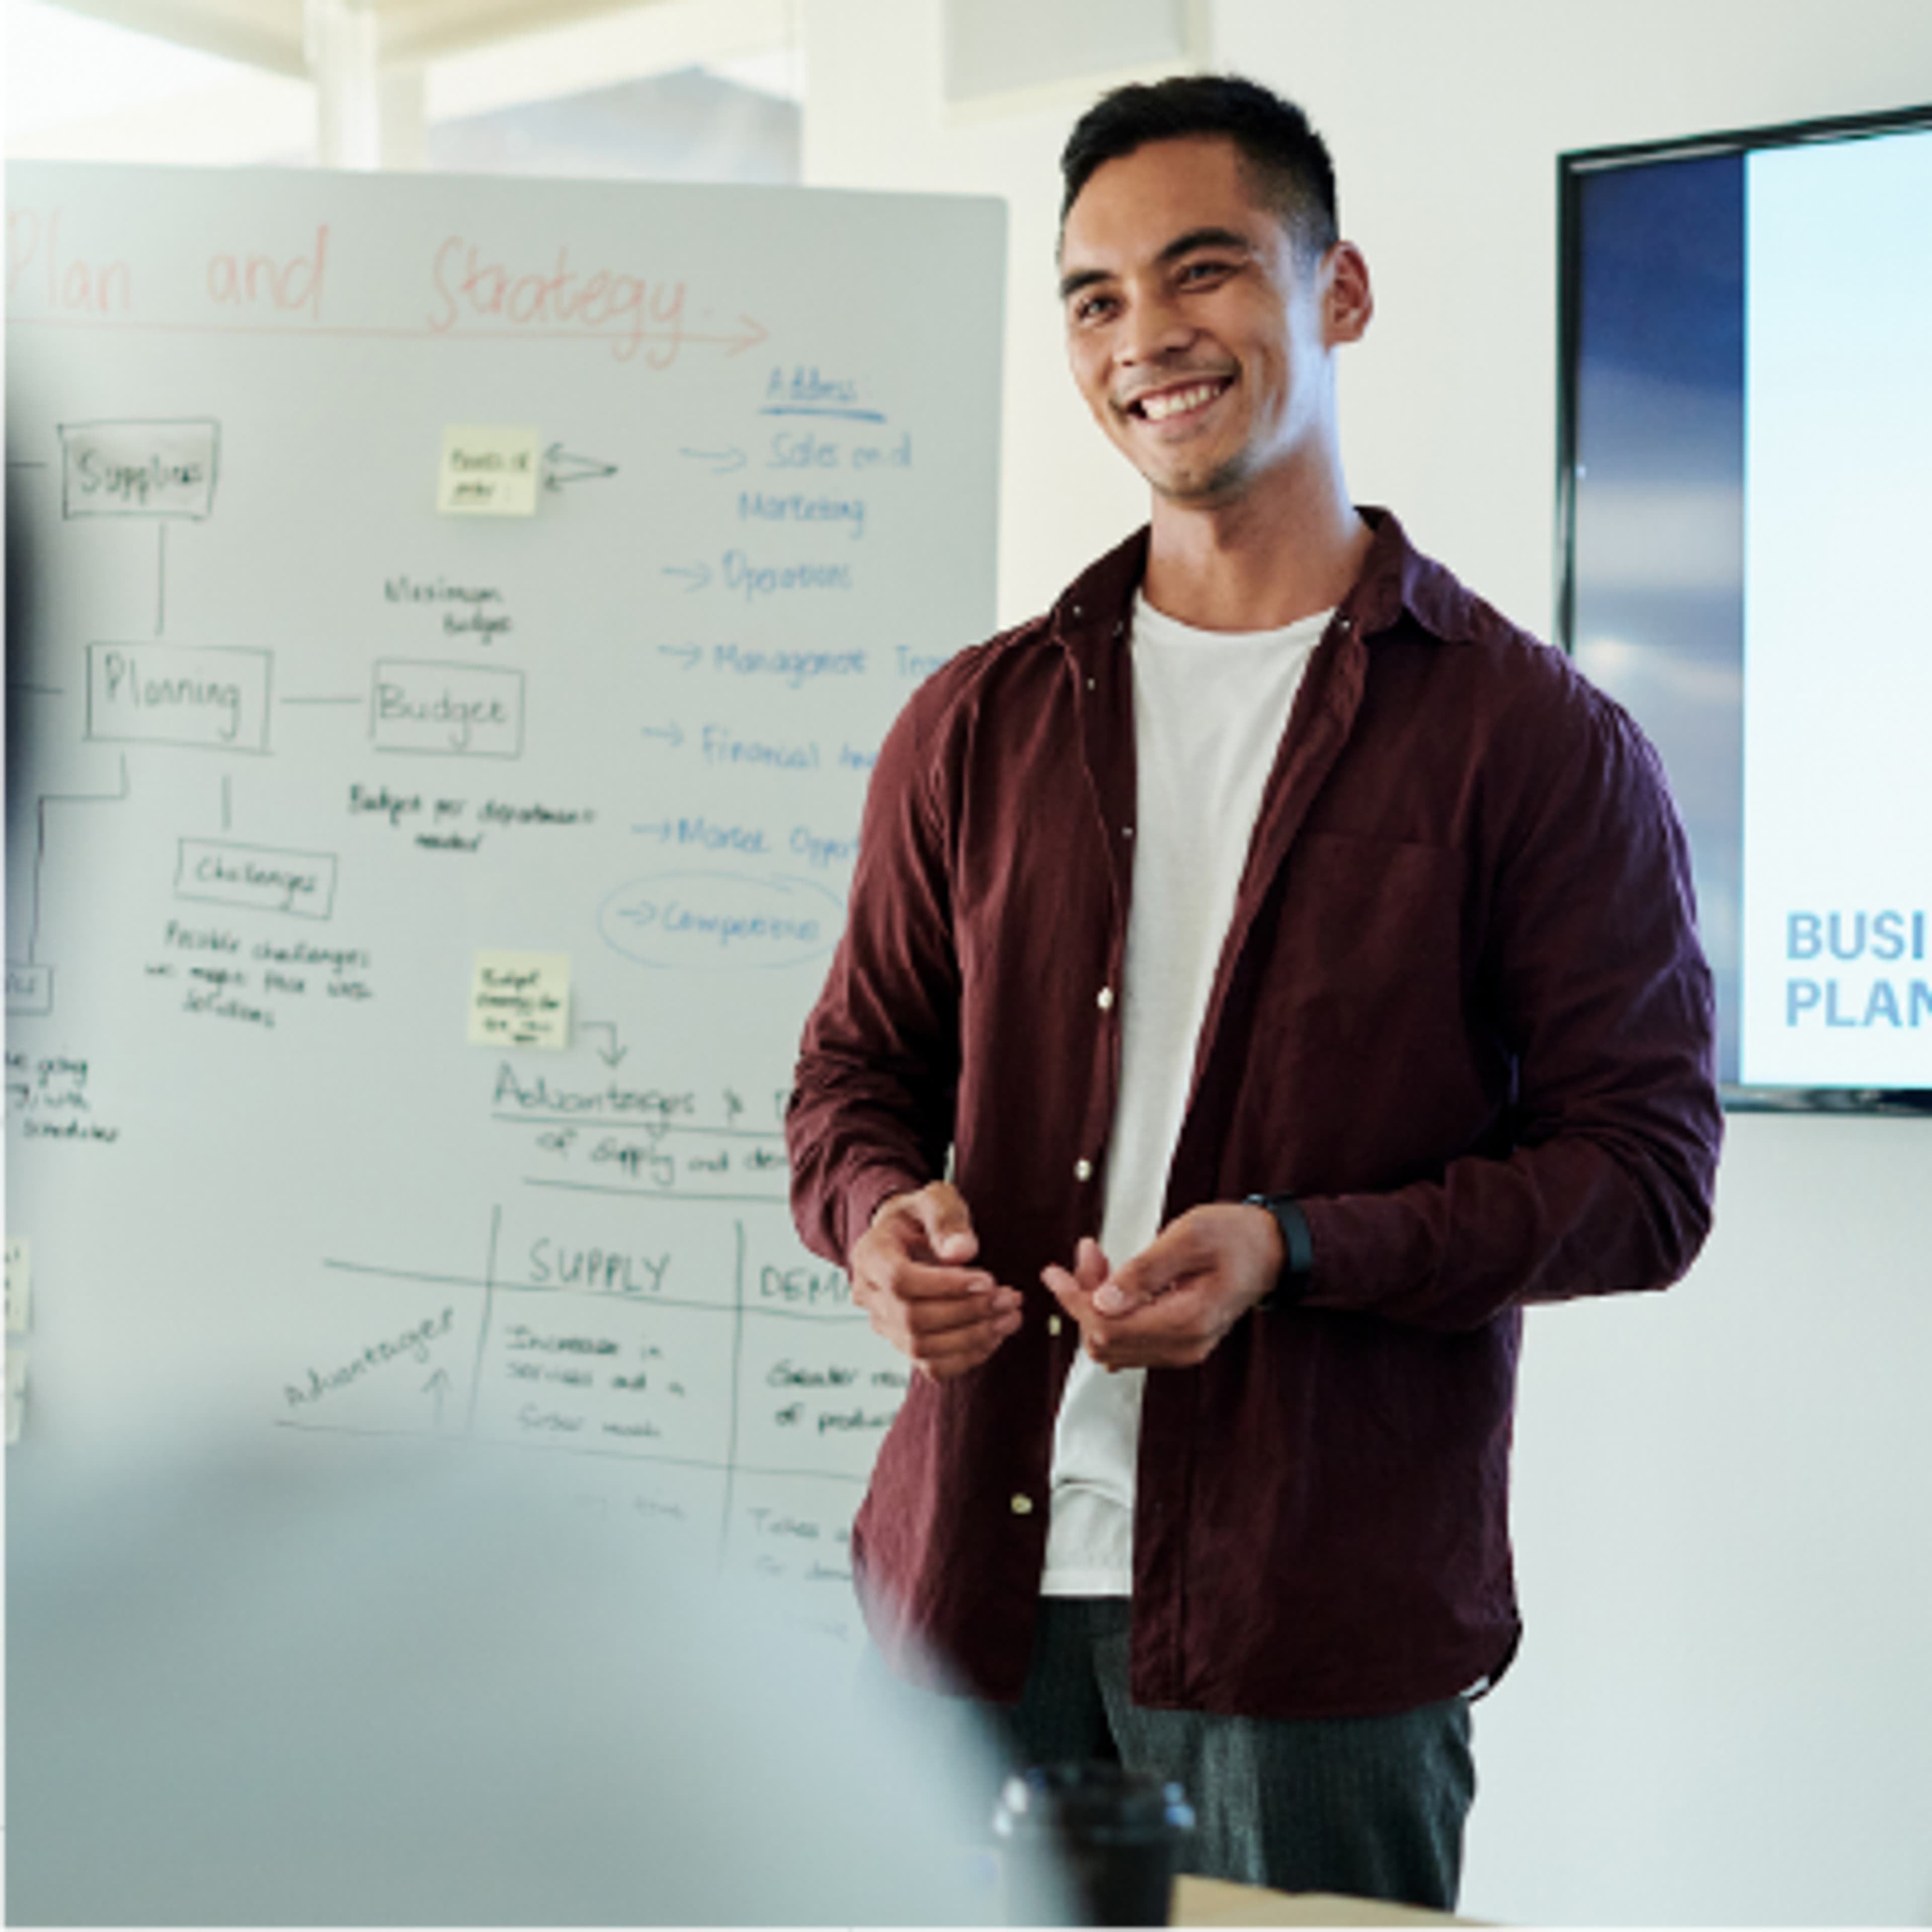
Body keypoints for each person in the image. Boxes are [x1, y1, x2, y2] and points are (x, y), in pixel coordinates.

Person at [786, 73, 1721, 1911]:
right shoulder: (973, 722)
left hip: (1317, 1638)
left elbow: (1648, 1176)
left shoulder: (1533, 741)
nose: (1149, 338)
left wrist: (1293, 1250)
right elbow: (850, 1079)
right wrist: (874, 1220)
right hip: (961, 1610)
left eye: (1203, 273)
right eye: (1097, 297)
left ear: (1340, 292)